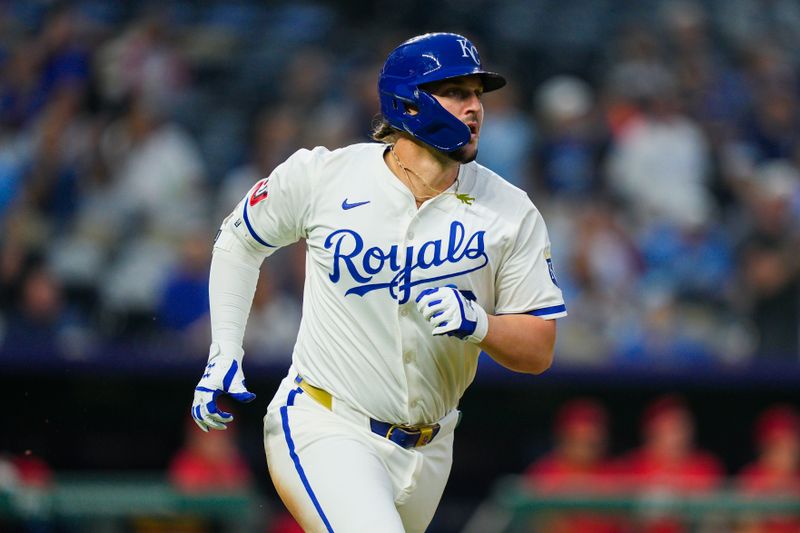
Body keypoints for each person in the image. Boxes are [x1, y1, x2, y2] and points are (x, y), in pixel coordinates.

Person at [190, 32, 566, 532]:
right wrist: (225, 350)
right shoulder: (325, 175)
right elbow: (239, 241)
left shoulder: (511, 210)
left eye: (478, 94)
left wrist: (480, 323)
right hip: (327, 422)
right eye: (456, 91)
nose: (475, 107)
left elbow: (539, 348)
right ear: (408, 103)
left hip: (432, 448)